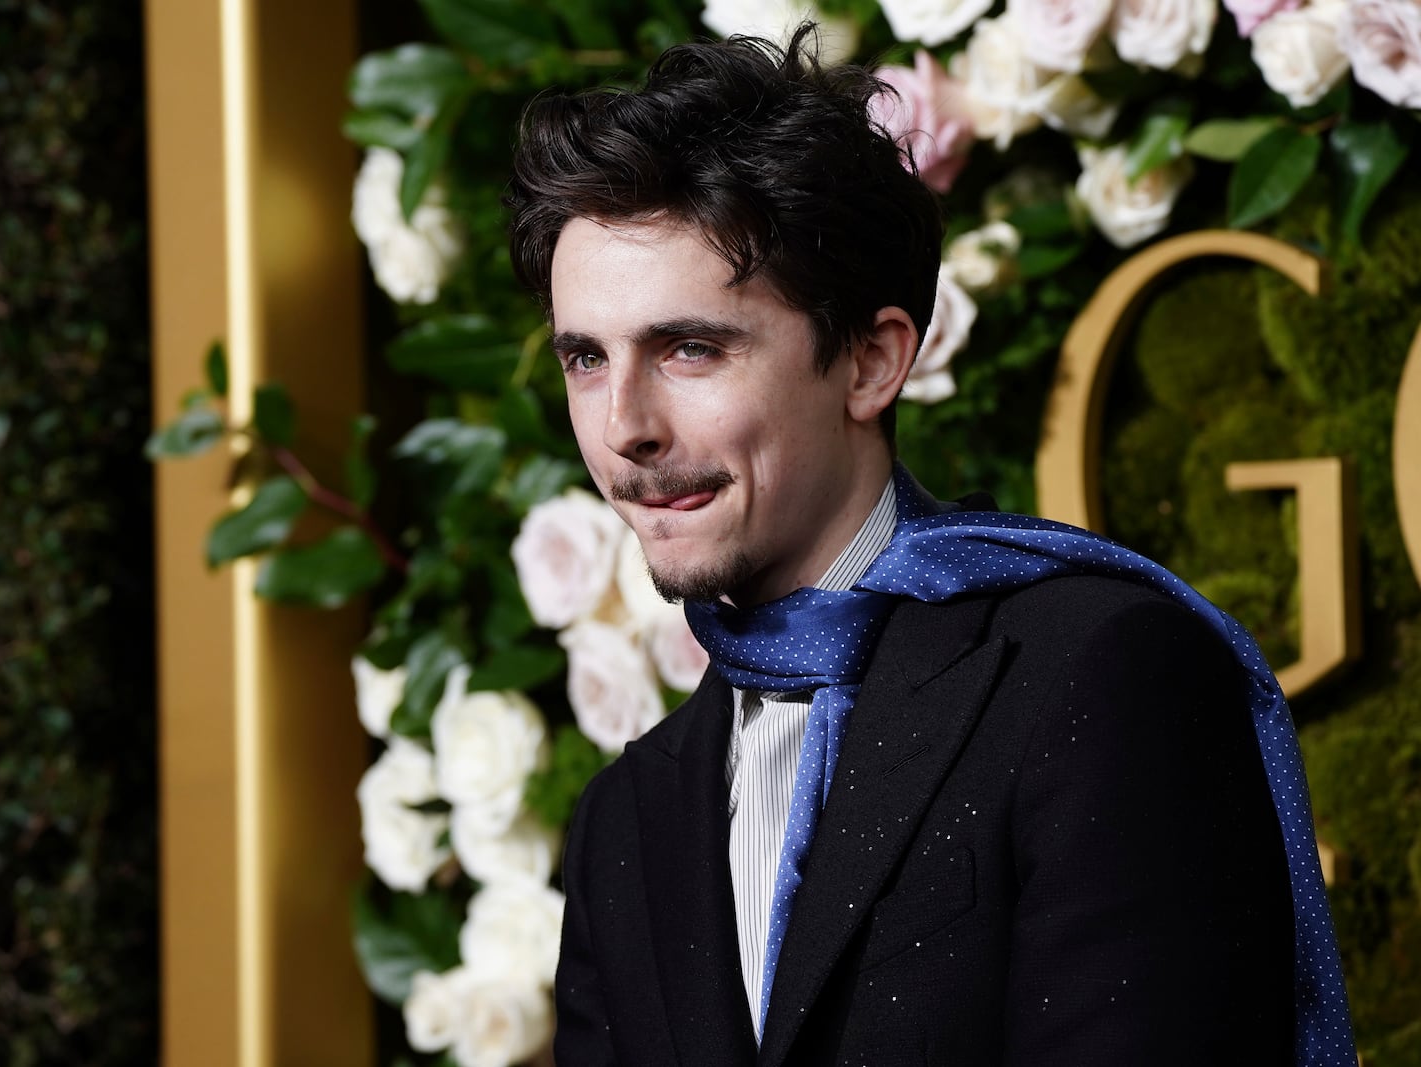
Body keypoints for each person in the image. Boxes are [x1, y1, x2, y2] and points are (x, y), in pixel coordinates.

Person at [505, 27, 1354, 1067]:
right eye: (586, 357)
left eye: (690, 348)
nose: (623, 424)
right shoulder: (623, 822)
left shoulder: (1099, 673)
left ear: (869, 361)